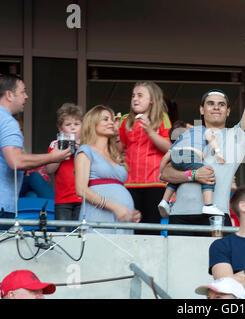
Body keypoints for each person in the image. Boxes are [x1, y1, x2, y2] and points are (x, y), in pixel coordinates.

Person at [160, 33, 245, 236]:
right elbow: (165, 174)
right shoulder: (188, 135)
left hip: (216, 217)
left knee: (217, 269)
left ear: (228, 112)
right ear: (201, 110)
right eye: (210, 103)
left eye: (221, 104)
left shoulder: (237, 136)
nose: (216, 108)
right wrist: (192, 174)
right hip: (179, 216)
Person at [0, 74, 71, 214]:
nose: (26, 96)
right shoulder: (7, 122)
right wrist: (53, 157)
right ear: (9, 95)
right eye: (22, 92)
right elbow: (16, 161)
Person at [75, 105, 141, 234]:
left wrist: (129, 211)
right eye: (105, 119)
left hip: (122, 220)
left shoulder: (114, 155)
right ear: (93, 124)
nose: (111, 122)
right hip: (98, 216)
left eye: (111, 119)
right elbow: (81, 189)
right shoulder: (85, 150)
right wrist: (115, 207)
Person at [117, 81, 172, 235]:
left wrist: (149, 131)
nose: (135, 99)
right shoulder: (125, 120)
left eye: (140, 95)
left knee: (151, 225)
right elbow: (119, 149)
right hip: (130, 181)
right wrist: (115, 133)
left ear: (152, 100)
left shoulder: (161, 118)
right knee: (132, 224)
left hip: (155, 181)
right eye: (133, 95)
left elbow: (169, 147)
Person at [157, 123, 226, 218]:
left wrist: (160, 173)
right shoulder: (201, 129)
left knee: (176, 178)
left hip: (175, 156)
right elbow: (211, 138)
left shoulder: (179, 140)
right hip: (190, 155)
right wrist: (218, 153)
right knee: (207, 173)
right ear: (188, 127)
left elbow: (165, 158)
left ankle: (164, 201)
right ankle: (208, 205)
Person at [46, 103, 84, 232]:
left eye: (77, 124)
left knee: (80, 234)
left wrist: (82, 150)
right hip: (62, 199)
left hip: (83, 197)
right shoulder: (55, 144)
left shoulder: (87, 144)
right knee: (62, 234)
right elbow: (49, 170)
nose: (73, 128)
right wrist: (59, 155)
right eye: (68, 125)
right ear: (61, 129)